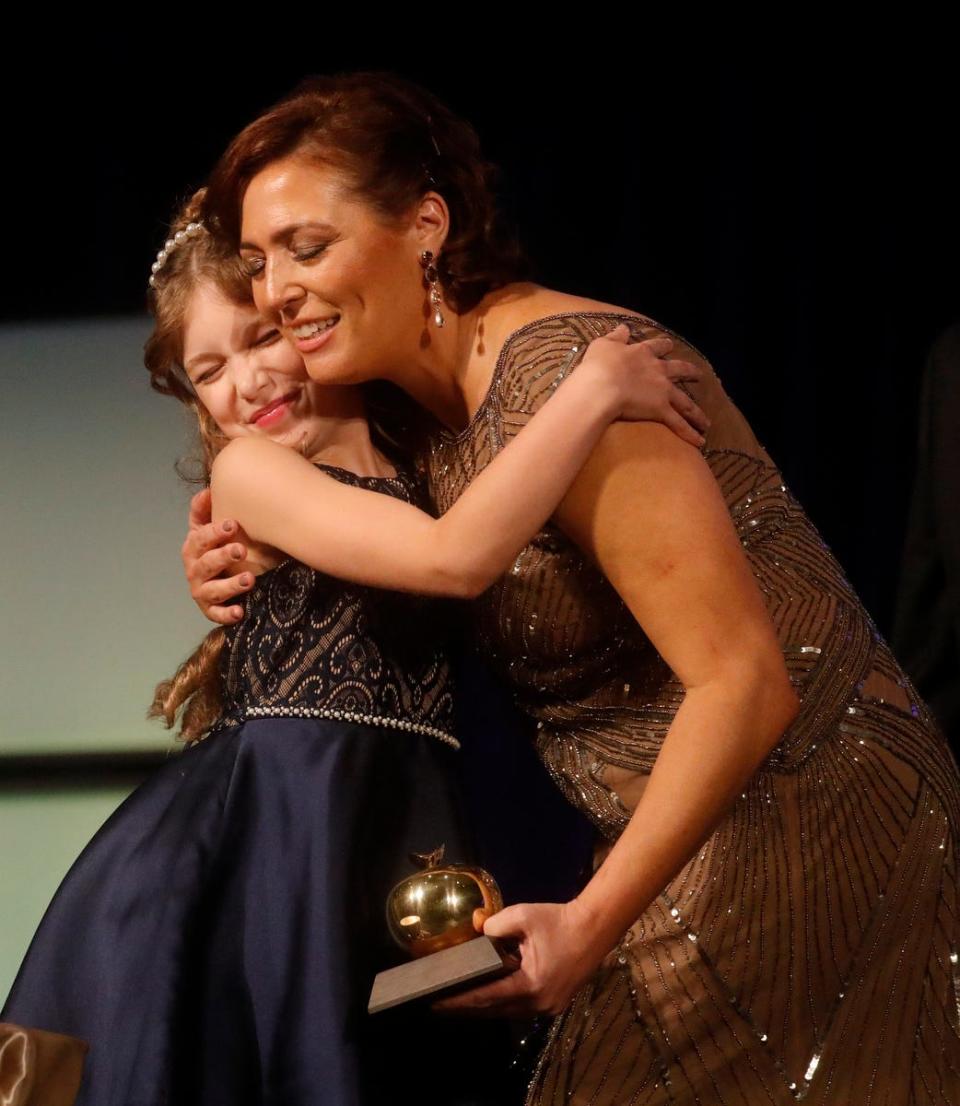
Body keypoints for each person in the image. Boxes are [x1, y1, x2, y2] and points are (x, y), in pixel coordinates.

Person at [183, 72, 960, 1103]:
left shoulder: (569, 372)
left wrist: (590, 923)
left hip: (806, 812)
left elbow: (744, 681)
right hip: (669, 841)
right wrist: (233, 558)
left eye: (307, 248)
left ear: (425, 226)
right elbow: (383, 535)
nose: (275, 289)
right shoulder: (409, 415)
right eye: (258, 260)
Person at [0, 194, 707, 1106]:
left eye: (260, 339)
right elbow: (453, 560)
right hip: (285, 830)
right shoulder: (249, 472)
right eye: (206, 370)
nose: (246, 383)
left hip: (394, 828)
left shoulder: (428, 467)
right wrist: (594, 392)